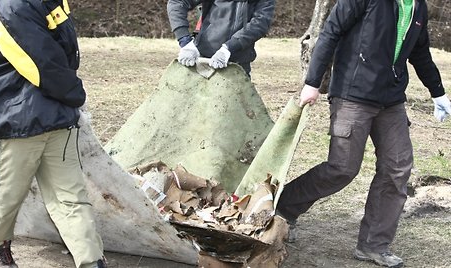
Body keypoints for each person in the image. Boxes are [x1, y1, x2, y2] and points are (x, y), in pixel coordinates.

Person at [276, 0, 451, 267]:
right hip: (353, 93)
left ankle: (373, 244)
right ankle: (283, 207)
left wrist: (438, 92)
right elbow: (331, 32)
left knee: (398, 168)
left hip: (391, 99)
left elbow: (420, 52)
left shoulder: (418, 7)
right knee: (342, 168)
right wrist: (312, 82)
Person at [0, 0, 107, 267]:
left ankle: (91, 260)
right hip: (21, 118)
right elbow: (42, 65)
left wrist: (71, 98)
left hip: (49, 115)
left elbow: (59, 59)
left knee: (67, 196)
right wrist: (75, 95)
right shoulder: (13, 8)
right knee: (13, 194)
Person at [167, 0, 276, 75]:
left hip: (238, 65)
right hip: (203, 61)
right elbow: (177, 2)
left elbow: (260, 23)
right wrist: (185, 41)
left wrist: (228, 48)